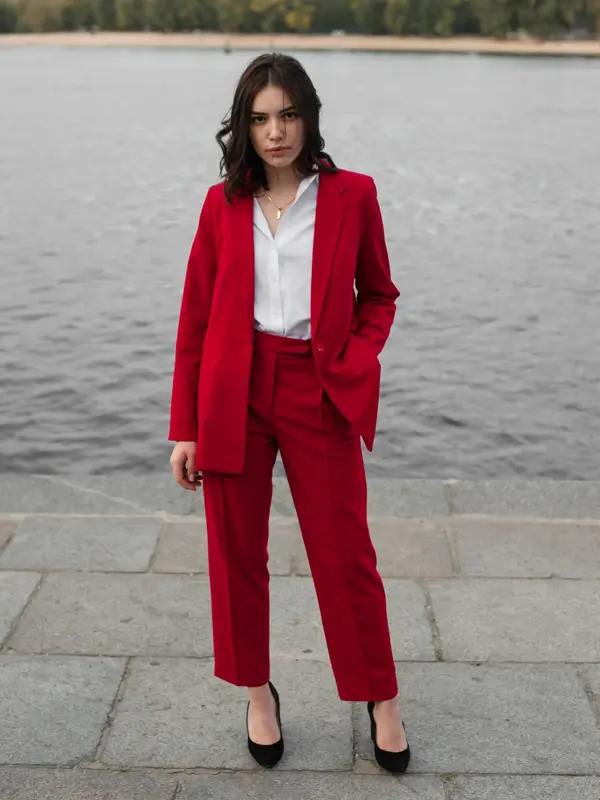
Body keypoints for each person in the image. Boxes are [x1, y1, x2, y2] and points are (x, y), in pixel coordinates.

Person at [168, 52, 410, 774]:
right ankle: (257, 693)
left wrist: (357, 356)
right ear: (245, 126)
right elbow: (196, 319)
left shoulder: (352, 195)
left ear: (309, 116)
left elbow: (381, 295)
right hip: (233, 390)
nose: (277, 131)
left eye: (289, 114)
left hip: (319, 385)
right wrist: (184, 425)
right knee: (236, 554)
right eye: (261, 118)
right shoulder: (223, 206)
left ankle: (381, 698)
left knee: (346, 557)